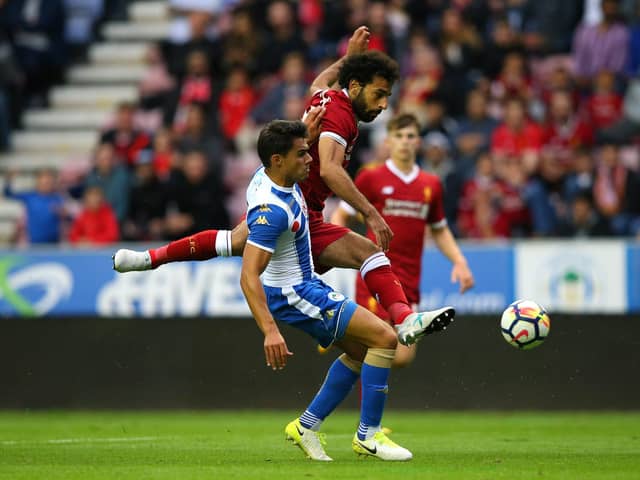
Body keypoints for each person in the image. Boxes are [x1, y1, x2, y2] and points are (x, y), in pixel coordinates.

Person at [114, 27, 455, 343]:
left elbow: (319, 81)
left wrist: (349, 60)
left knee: (235, 240)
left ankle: (149, 258)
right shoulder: (341, 117)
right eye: (379, 94)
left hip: (287, 195)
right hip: (296, 209)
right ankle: (402, 317)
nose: (383, 104)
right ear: (354, 88)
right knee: (367, 256)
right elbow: (330, 171)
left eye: (387, 96)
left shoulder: (327, 97)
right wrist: (371, 213)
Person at [241, 119, 440, 461]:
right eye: (303, 154)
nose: (311, 159)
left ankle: (306, 426)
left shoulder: (271, 175)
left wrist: (310, 128)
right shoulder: (272, 208)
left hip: (305, 285)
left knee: (365, 352)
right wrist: (269, 331)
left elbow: (283, 143)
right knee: (385, 339)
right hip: (295, 294)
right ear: (278, 160)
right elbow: (248, 275)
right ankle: (369, 436)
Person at [331, 113, 474, 367]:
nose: (405, 141)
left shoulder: (431, 184)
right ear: (388, 141)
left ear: (418, 142)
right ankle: (368, 401)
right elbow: (341, 214)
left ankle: (339, 336)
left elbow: (439, 229)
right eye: (399, 136)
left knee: (401, 356)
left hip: (408, 279)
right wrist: (340, 250)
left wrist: (459, 261)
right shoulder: (371, 177)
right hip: (374, 273)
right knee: (378, 346)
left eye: (410, 136)